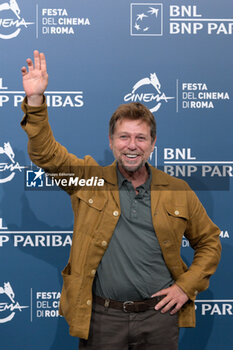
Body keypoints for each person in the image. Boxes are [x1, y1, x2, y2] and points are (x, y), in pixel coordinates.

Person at [21, 51, 221, 350]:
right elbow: (45, 154)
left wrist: (185, 287)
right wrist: (35, 101)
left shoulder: (176, 189)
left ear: (153, 144)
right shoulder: (88, 181)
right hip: (102, 318)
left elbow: (209, 242)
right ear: (111, 142)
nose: (132, 146)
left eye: (141, 138)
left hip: (159, 318)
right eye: (124, 137)